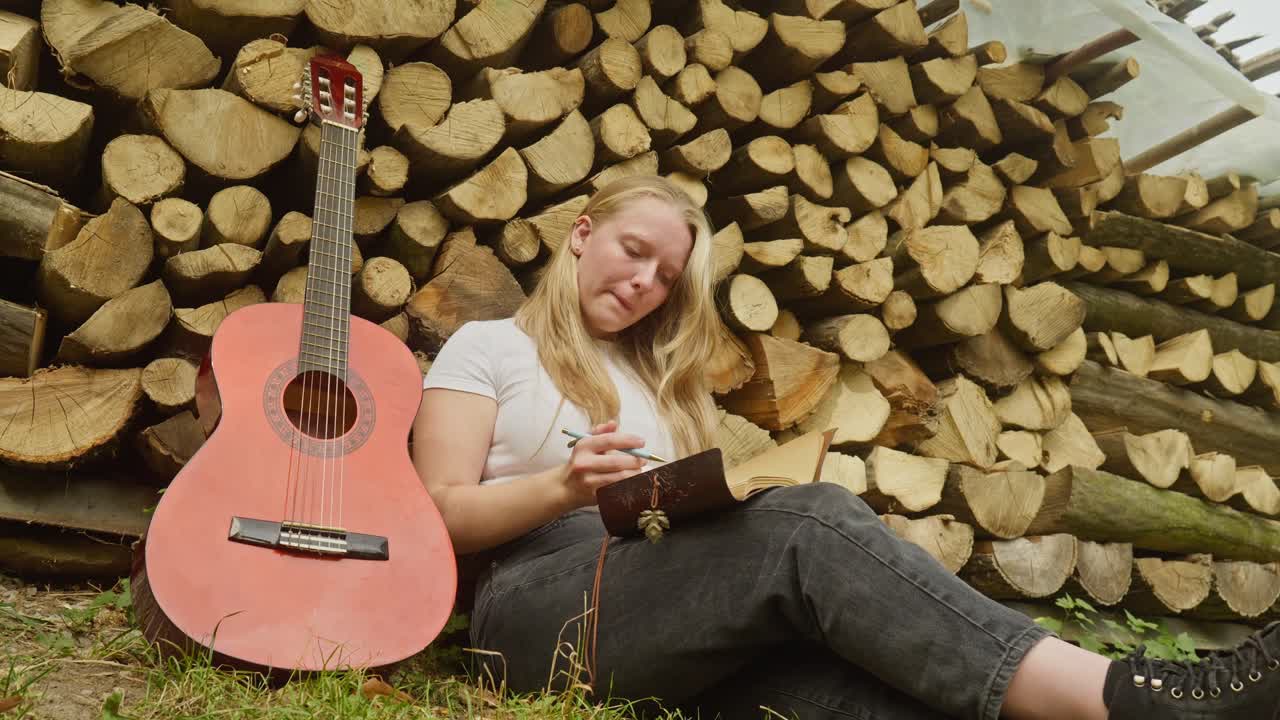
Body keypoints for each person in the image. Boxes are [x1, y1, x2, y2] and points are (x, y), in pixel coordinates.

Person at [411, 174, 1280, 720]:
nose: (644, 284)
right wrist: (563, 489)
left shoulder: (667, 390)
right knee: (810, 524)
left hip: (662, 599)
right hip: (529, 608)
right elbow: (441, 517)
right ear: (580, 234)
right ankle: (1139, 696)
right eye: (634, 254)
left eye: (667, 278)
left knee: (861, 688)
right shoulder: (490, 349)